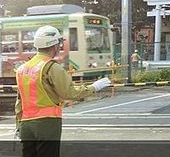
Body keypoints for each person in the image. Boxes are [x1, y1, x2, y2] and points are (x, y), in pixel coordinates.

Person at [15, 25, 111, 157]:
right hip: (47, 124)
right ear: (54, 46)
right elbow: (69, 93)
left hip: (26, 125)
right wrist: (94, 87)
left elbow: (19, 102)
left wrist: (19, 124)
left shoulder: (22, 69)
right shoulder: (52, 67)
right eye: (59, 44)